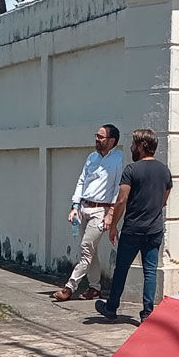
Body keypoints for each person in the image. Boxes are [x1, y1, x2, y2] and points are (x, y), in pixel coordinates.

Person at [95, 128, 172, 321]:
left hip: (133, 229)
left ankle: (111, 307)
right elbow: (165, 198)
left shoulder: (131, 170)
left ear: (141, 146)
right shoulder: (164, 170)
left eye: (133, 144)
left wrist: (113, 225)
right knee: (150, 271)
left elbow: (121, 199)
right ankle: (147, 312)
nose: (131, 148)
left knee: (121, 268)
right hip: (154, 229)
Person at [54, 124, 123, 302]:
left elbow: (118, 188)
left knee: (86, 248)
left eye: (101, 137)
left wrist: (111, 214)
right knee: (90, 251)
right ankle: (95, 287)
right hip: (84, 207)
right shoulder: (91, 157)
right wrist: (74, 206)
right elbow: (81, 181)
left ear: (112, 141)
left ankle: (70, 287)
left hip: (102, 210)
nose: (97, 139)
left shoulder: (118, 159)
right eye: (97, 136)